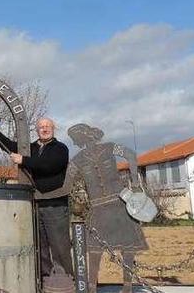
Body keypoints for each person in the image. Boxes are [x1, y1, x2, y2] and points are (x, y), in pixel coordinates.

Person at [0, 116, 73, 279]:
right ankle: (46, 280)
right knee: (41, 247)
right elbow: (9, 145)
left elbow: (49, 165)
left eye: (47, 126)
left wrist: (23, 160)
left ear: (53, 129)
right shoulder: (31, 148)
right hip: (36, 204)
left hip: (55, 205)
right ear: (36, 130)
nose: (44, 129)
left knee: (60, 247)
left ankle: (65, 281)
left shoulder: (60, 148)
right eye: (41, 127)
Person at [67, 123, 148, 293]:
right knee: (95, 250)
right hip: (97, 208)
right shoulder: (77, 160)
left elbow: (131, 155)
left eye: (75, 139)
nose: (74, 143)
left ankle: (127, 286)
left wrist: (135, 183)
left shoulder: (110, 148)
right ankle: (91, 287)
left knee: (127, 247)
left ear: (82, 136)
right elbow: (66, 183)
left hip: (119, 203)